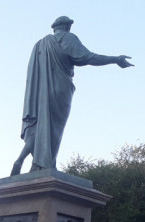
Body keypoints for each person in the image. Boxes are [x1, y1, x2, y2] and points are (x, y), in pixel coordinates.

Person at [11, 16, 133, 175]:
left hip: (40, 92)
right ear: (68, 27)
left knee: (41, 126)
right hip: (59, 89)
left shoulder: (40, 44)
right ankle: (43, 165)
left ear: (55, 27)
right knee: (53, 129)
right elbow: (88, 57)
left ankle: (25, 161)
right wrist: (115, 59)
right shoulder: (67, 38)